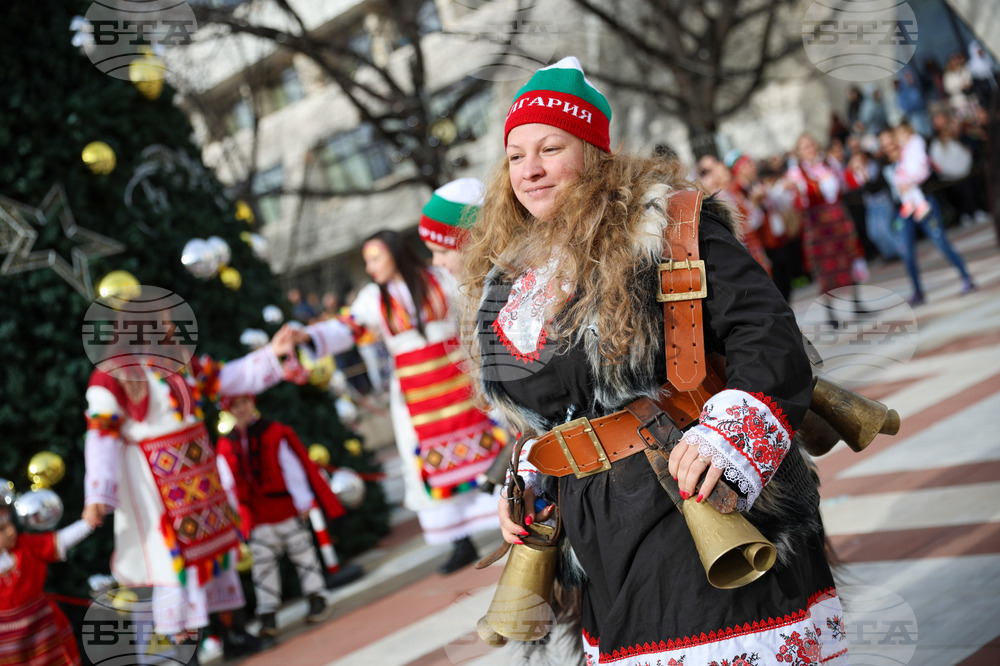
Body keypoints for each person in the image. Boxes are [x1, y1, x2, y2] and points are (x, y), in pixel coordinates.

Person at [462, 56, 847, 665]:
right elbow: (549, 408)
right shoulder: (510, 280)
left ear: (593, 151)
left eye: (549, 148)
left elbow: (765, 331)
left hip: (690, 496)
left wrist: (730, 439)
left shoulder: (668, 229)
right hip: (598, 535)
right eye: (515, 156)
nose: (529, 170)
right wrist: (529, 479)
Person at [82, 318, 301, 657]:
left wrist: (272, 353)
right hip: (157, 485)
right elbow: (101, 435)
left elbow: (228, 378)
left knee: (217, 557)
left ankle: (234, 634)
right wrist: (98, 493)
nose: (171, 324)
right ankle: (186, 653)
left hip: (200, 477)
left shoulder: (181, 359)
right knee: (174, 566)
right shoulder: (112, 376)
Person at [300, 226, 503, 575]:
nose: (370, 267)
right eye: (367, 260)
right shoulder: (371, 299)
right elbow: (346, 328)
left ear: (396, 252)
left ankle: (508, 516)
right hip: (414, 393)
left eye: (375, 257)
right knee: (424, 462)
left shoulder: (438, 276)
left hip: (460, 376)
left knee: (490, 447)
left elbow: (473, 303)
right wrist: (309, 335)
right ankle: (460, 540)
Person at [216, 394, 350, 640]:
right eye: (235, 405)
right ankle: (268, 613)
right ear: (229, 409)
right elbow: (226, 483)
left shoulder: (274, 432)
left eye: (244, 402)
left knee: (303, 555)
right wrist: (236, 514)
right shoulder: (226, 444)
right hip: (256, 516)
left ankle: (316, 596)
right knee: (263, 567)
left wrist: (302, 501)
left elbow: (292, 469)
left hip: (285, 508)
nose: (241, 408)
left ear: (252, 403)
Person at [878, 129, 977, 305]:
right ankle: (917, 291)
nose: (889, 146)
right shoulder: (883, 166)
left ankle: (966, 278)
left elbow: (929, 172)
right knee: (906, 252)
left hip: (924, 204)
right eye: (884, 144)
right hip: (903, 210)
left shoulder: (912, 154)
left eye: (890, 141)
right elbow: (876, 188)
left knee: (941, 242)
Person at [1, 489, 92, 665]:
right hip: (6, 647)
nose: (11, 531)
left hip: (43, 631)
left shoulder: (25, 546)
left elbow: (60, 541)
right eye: (1, 529)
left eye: (9, 524)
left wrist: (88, 523)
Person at [786, 132, 866, 324]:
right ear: (799, 152)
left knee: (849, 258)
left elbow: (846, 183)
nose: (810, 149)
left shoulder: (828, 164)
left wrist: (856, 171)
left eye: (811, 144)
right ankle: (831, 313)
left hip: (838, 219)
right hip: (818, 225)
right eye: (805, 147)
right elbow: (798, 203)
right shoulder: (796, 173)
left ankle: (857, 303)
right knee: (824, 269)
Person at [893, 121, 932, 221]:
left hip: (917, 170)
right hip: (911, 172)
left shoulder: (916, 141)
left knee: (909, 185)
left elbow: (917, 159)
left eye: (903, 133)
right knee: (904, 184)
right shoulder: (905, 148)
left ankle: (920, 204)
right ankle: (910, 202)